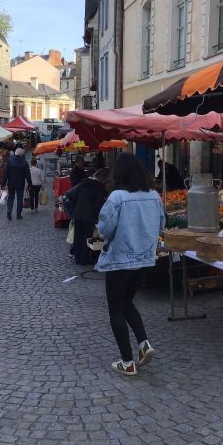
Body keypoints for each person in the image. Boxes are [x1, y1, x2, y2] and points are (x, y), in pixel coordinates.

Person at [96, 153, 165, 376]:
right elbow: (161, 223)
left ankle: (127, 362)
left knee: (116, 309)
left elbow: (105, 229)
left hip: (120, 261)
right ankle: (143, 344)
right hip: (144, 260)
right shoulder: (154, 195)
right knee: (127, 303)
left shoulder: (117, 197)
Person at [65, 168, 109, 266]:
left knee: (78, 237)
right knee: (88, 238)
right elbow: (98, 205)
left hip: (78, 214)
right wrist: (99, 217)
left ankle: (78, 258)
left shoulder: (83, 184)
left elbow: (72, 196)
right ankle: (84, 259)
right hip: (89, 216)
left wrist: (74, 212)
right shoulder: (98, 188)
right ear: (103, 178)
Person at [3, 147, 32, 221]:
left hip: (11, 183)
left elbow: (6, 173)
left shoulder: (9, 160)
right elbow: (28, 175)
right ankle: (18, 215)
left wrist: (4, 183)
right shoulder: (24, 162)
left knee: (10, 198)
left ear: (15, 153)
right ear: (22, 154)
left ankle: (9, 210)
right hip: (20, 184)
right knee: (19, 200)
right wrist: (29, 184)